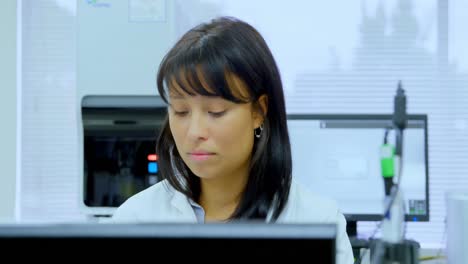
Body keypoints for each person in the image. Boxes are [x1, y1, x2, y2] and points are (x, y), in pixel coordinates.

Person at [112, 16, 353, 263]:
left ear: (258, 112)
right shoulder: (134, 219)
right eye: (181, 111)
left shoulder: (317, 220)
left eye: (215, 112)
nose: (195, 131)